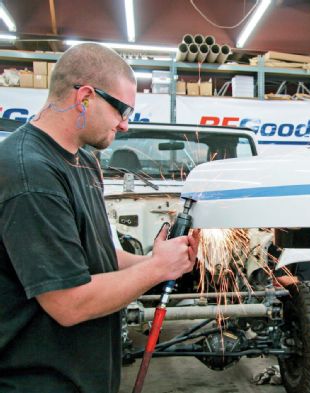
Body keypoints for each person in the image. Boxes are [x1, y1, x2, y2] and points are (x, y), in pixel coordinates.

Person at [0, 43, 199, 393]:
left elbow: (102, 257)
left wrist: (157, 260)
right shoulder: (30, 176)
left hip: (85, 375)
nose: (125, 125)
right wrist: (155, 270)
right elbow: (68, 303)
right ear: (86, 97)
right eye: (122, 110)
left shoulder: (85, 161)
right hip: (39, 381)